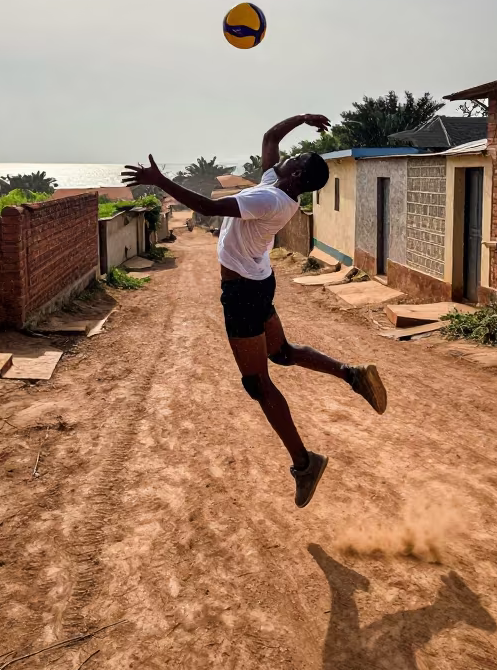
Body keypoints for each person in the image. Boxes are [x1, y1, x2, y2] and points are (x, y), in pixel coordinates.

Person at [122, 114, 387, 508]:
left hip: (242, 292)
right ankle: (352, 374)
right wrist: (303, 118)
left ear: (296, 176)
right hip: (259, 282)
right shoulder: (274, 186)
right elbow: (270, 136)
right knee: (282, 353)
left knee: (257, 383)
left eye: (294, 160)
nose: (287, 157)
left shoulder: (269, 199)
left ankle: (305, 463)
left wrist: (160, 181)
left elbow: (208, 207)